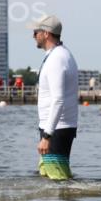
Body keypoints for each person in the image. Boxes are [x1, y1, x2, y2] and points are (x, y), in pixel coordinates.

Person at [29, 14, 79, 180]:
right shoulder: (58, 55)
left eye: (36, 32)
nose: (33, 36)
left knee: (58, 181)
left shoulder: (57, 59)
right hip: (54, 128)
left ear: (46, 33)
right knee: (47, 178)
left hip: (56, 129)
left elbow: (58, 100)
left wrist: (47, 136)